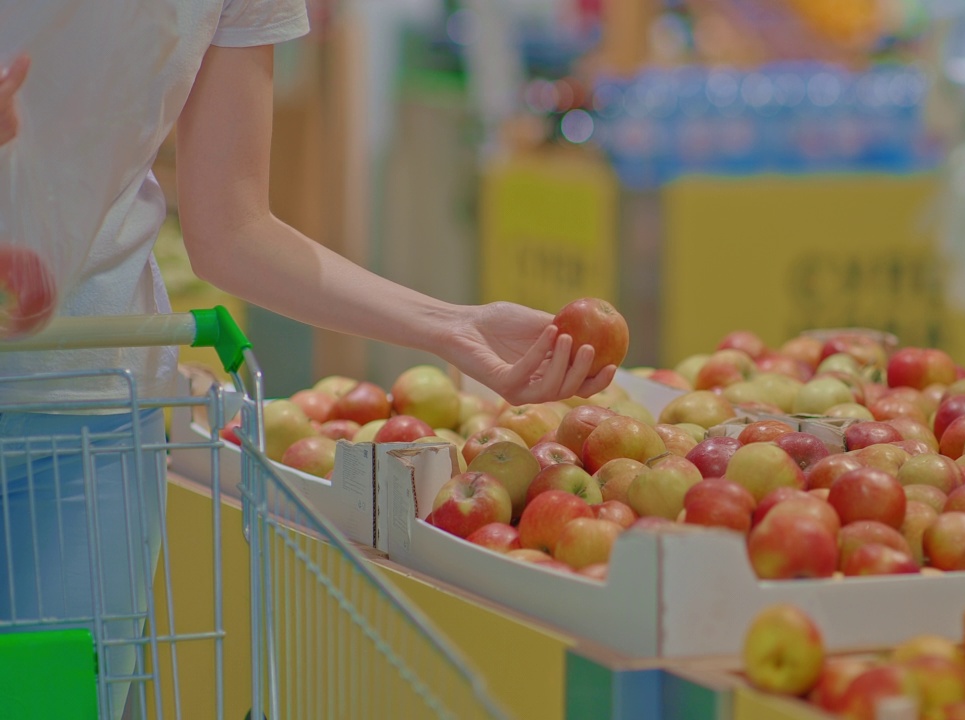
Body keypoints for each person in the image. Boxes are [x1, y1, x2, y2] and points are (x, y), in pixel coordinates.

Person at [0, 2, 616, 718]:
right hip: (85, 397)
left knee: (58, 703)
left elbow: (235, 227)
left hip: (93, 407)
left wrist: (455, 326)